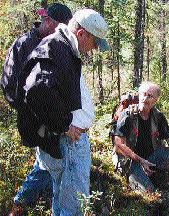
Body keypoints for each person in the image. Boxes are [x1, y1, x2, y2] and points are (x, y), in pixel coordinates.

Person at [21, 8, 109, 215]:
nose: (94, 48)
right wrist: (64, 126)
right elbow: (36, 90)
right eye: (95, 42)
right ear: (81, 34)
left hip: (68, 141)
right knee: (73, 206)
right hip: (68, 142)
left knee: (63, 202)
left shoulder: (64, 47)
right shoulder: (57, 48)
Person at [0, 3, 72, 215]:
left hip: (56, 120)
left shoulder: (60, 43)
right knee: (45, 162)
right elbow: (9, 86)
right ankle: (19, 206)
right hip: (35, 121)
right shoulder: (24, 44)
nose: (64, 32)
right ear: (47, 21)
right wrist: (35, 111)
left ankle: (36, 206)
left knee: (49, 163)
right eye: (60, 26)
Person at [112, 81, 169, 192]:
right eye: (143, 94)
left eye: (149, 96)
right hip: (131, 162)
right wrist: (141, 161)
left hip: (152, 157)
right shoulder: (127, 115)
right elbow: (118, 145)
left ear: (155, 100)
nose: (145, 98)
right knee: (150, 193)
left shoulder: (158, 116)